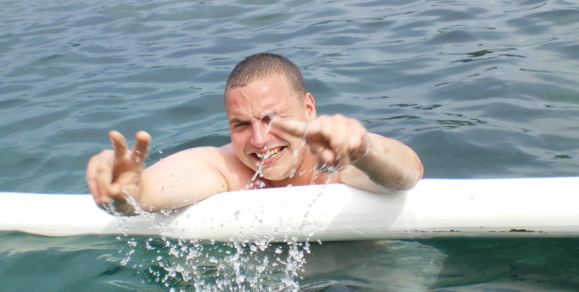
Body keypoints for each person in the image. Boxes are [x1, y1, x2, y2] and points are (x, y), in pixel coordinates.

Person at [87, 53, 423, 215]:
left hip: (365, 275)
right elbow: (153, 189)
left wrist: (365, 148)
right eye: (241, 125)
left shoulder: (338, 160)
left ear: (309, 109)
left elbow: (408, 175)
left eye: (272, 118)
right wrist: (128, 192)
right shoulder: (228, 169)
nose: (260, 140)